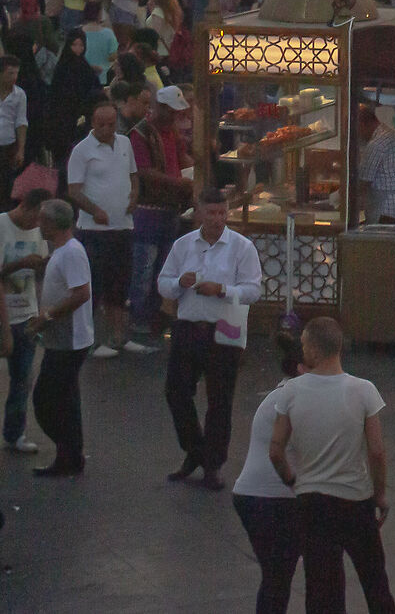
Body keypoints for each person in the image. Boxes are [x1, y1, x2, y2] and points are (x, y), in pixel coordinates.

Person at [270, 316, 395, 614]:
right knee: (375, 581)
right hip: (355, 499)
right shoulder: (363, 390)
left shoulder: (290, 392)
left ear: (313, 350)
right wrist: (379, 495)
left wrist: (292, 479)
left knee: (321, 588)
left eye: (303, 345)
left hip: (312, 502)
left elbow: (276, 450)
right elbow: (377, 452)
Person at [158, 186, 264, 488]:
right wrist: (180, 282)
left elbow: (253, 290)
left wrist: (222, 289)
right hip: (188, 327)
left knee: (220, 400)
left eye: (222, 213)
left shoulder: (242, 247)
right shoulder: (182, 245)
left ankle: (213, 464)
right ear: (199, 212)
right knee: (176, 392)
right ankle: (195, 449)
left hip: (223, 330)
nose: (217, 219)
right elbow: (164, 284)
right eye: (211, 213)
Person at [230, 333, 308, 614]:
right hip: (273, 501)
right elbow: (284, 452)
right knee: (278, 577)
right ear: (302, 367)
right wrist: (294, 484)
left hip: (252, 496)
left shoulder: (283, 393)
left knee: (276, 576)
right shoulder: (295, 398)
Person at [65, 99, 142, 355]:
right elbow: (74, 190)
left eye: (112, 124)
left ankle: (120, 336)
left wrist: (134, 195)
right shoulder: (82, 150)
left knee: (121, 283)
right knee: (95, 285)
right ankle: (92, 340)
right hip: (93, 230)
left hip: (122, 226)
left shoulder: (125, 143)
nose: (108, 129)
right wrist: (94, 210)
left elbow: (133, 175)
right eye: (102, 124)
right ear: (92, 123)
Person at [27, 197, 92, 474]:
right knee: (66, 398)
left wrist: (48, 316)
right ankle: (70, 454)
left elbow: (81, 293)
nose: (38, 224)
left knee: (46, 399)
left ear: (52, 224)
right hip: (64, 339)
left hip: (69, 340)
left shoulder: (71, 253)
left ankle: (68, 449)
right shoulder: (63, 251)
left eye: (42, 220)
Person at [1, 182, 44, 451]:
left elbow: (40, 275)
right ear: (26, 208)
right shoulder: (2, 226)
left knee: (23, 378)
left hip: (26, 315)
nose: (38, 226)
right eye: (37, 218)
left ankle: (15, 433)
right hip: (3, 312)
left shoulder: (39, 231)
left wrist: (40, 313)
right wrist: (20, 263)